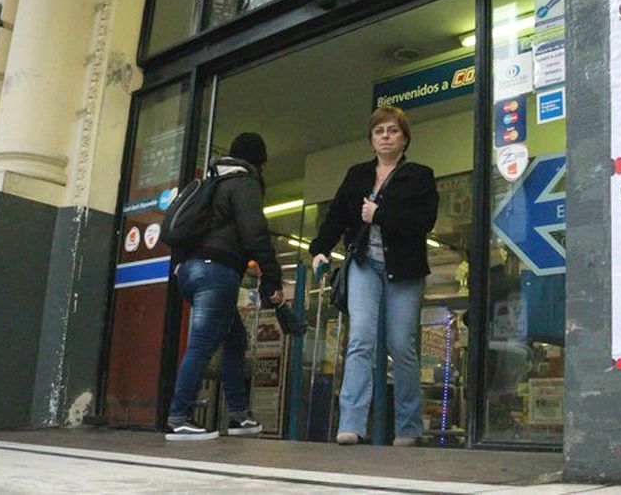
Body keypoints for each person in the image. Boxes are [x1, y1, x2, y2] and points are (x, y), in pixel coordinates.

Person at [309, 105, 439, 446]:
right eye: (379, 131)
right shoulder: (357, 175)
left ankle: (408, 427)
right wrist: (319, 249)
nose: (386, 137)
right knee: (360, 340)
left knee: (402, 346)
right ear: (371, 139)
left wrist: (381, 214)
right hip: (364, 265)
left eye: (393, 130)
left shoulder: (420, 176)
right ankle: (350, 423)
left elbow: (424, 222)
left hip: (405, 271)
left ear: (404, 138)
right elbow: (337, 216)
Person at [166, 132, 284, 441]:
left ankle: (238, 416)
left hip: (190, 271)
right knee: (202, 345)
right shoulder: (244, 183)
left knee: (234, 340)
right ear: (259, 162)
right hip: (216, 271)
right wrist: (273, 275)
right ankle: (178, 417)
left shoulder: (212, 181)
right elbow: (254, 233)